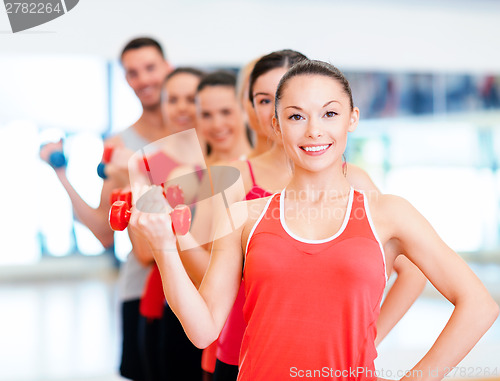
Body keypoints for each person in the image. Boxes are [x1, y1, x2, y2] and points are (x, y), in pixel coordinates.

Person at [130, 59, 499, 381]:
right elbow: (203, 330)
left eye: (330, 113)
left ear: (352, 119)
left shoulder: (388, 212)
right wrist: (165, 247)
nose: (313, 131)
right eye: (295, 116)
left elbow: (479, 305)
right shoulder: (245, 215)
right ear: (276, 125)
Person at [40, 37, 172, 380]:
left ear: (167, 68)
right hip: (142, 290)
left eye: (150, 68)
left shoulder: (199, 132)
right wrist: (62, 175)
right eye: (132, 72)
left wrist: (144, 169)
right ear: (126, 80)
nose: (143, 79)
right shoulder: (118, 146)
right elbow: (103, 232)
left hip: (199, 286)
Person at [131, 66, 206, 381]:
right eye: (172, 99)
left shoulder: (230, 162)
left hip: (223, 303)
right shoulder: (147, 162)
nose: (182, 107)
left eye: (192, 98)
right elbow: (144, 251)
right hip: (168, 300)